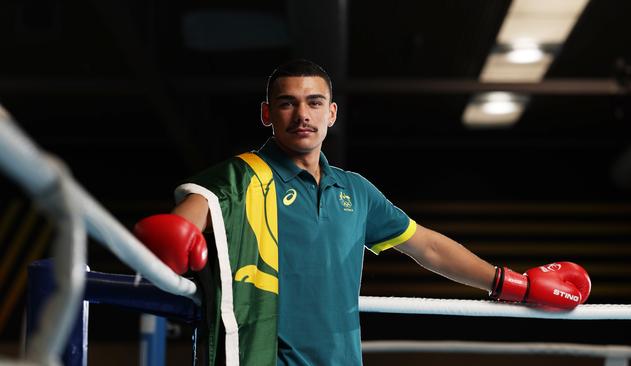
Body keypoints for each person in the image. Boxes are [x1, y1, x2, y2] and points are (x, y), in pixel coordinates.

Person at [133, 59, 592, 366]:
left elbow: (427, 245)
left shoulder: (355, 191)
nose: (301, 115)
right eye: (287, 103)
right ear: (267, 114)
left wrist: (513, 284)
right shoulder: (241, 176)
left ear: (331, 113)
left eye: (314, 103)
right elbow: (179, 225)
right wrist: (176, 240)